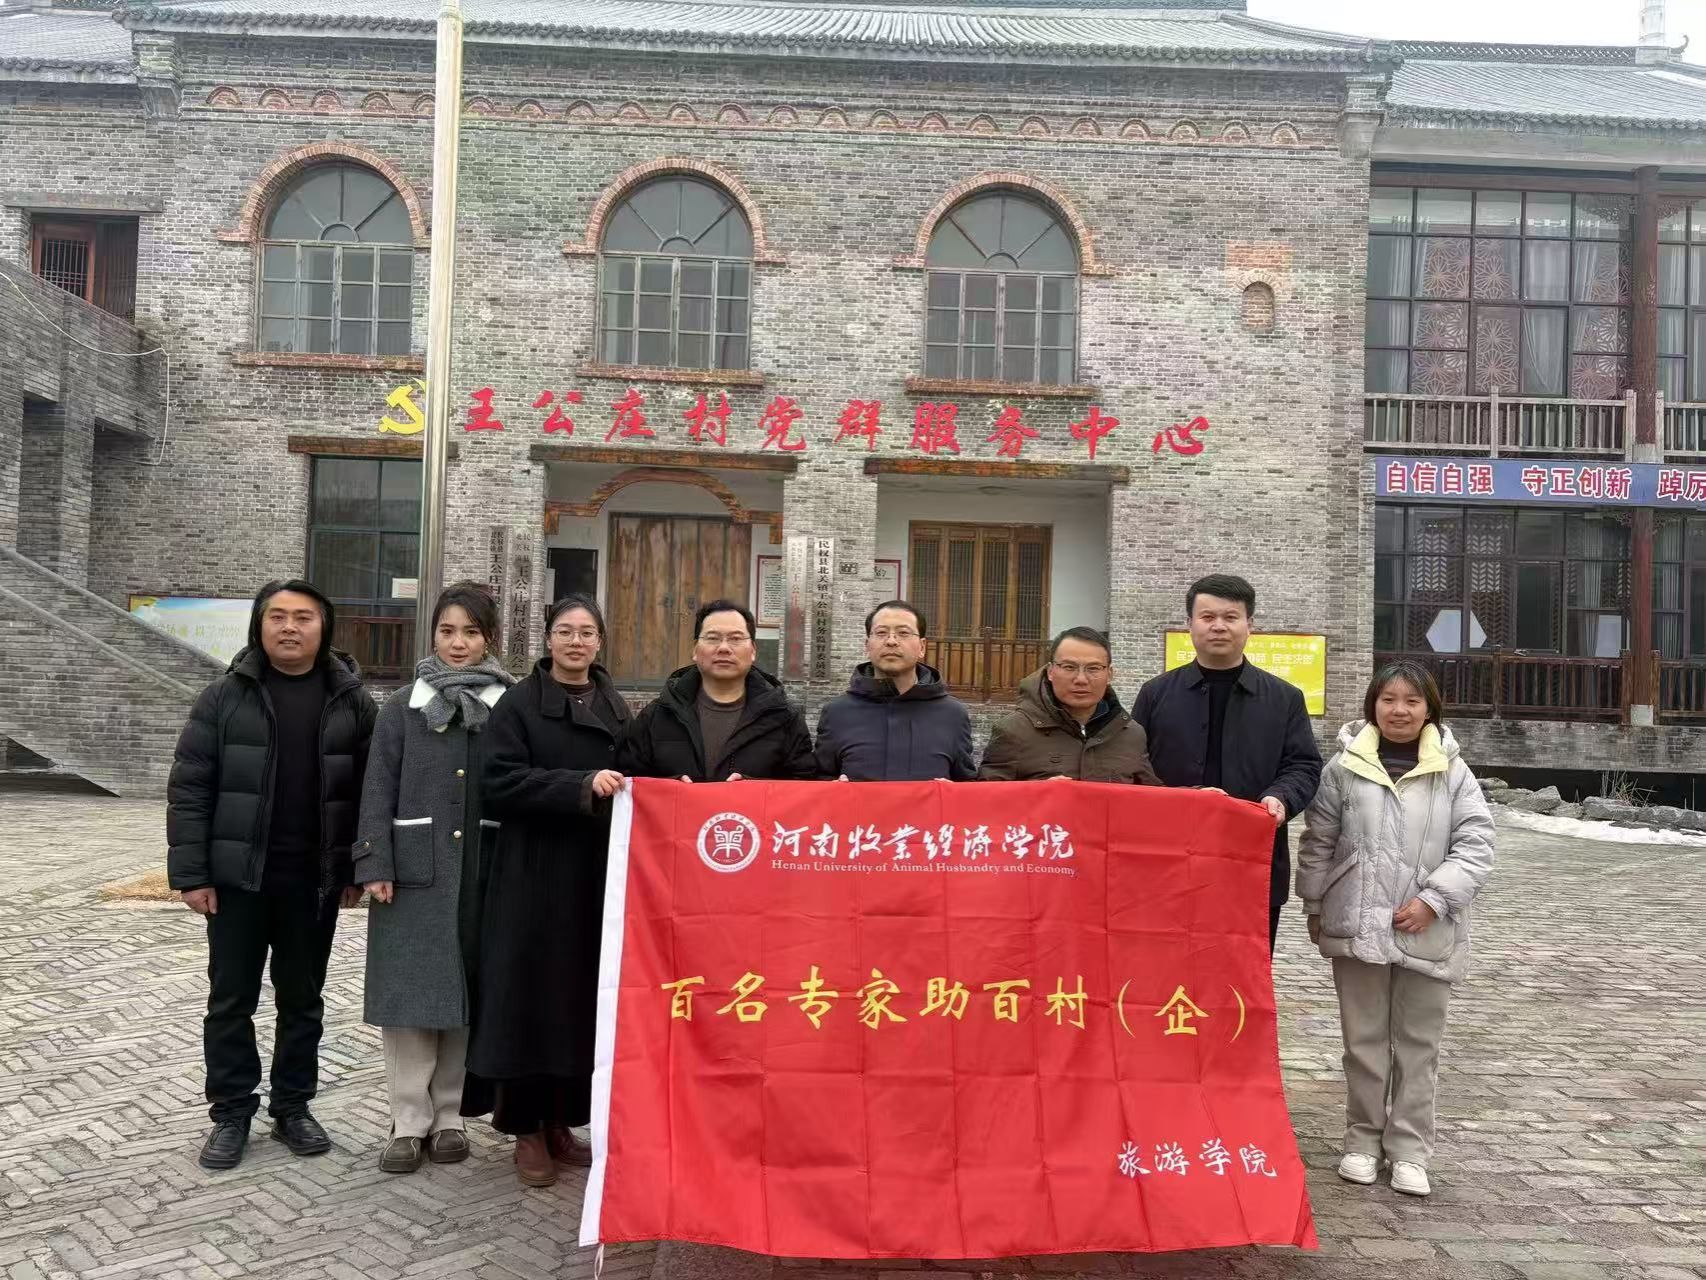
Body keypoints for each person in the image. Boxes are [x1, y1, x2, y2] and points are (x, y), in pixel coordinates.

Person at [166, 579, 376, 1170]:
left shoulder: (353, 702)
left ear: (324, 627)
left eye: (303, 617)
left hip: (313, 882)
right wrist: (192, 875)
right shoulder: (223, 697)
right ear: (259, 625)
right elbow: (189, 788)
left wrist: (358, 867)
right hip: (238, 880)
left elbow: (370, 792)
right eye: (277, 616)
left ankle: (292, 1106)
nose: (290, 627)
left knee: (302, 1000)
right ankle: (231, 1112)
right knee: (230, 1000)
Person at [1296, 661, 1494, 1198]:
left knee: (1417, 1045)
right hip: (1357, 920)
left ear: (1429, 708)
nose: (1399, 710)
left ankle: (1409, 1149)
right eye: (1388, 699)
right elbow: (1319, 840)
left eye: (1411, 700)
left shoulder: (1452, 771)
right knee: (1362, 1042)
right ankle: (1362, 1140)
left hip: (1427, 927)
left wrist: (1434, 900)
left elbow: (1476, 844)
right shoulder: (1344, 767)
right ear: (1373, 705)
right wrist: (1315, 902)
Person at [467, 593, 632, 1188]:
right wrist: (579, 785)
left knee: (577, 999)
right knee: (527, 999)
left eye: (587, 632)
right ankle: (526, 1128)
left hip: (592, 875)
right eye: (565, 631)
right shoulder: (518, 705)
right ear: (547, 638)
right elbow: (497, 782)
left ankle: (562, 1120)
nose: (576, 641)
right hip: (531, 875)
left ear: (600, 641)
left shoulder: (616, 706)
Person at [352, 582, 513, 1174]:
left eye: (470, 632)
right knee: (411, 998)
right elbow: (377, 785)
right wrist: (374, 862)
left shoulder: (508, 704)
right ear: (433, 634)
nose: (458, 643)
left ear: (489, 638)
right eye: (447, 630)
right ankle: (407, 1121)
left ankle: (449, 1117)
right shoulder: (403, 705)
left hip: (485, 872)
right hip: (415, 872)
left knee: (465, 994)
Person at [1130, 574, 1322, 952]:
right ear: (1189, 624)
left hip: (1252, 862)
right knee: (1166, 967)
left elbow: (1303, 765)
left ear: (1250, 624)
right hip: (1169, 862)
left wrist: (1281, 797)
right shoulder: (1156, 694)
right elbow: (1134, 765)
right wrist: (1178, 800)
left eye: (1230, 617)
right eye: (1207, 617)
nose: (1218, 626)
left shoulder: (1284, 698)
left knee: (1242, 971)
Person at [618, 598, 816, 782]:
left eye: (735, 639)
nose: (724, 648)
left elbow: (803, 786)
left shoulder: (783, 718)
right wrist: (672, 789)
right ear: (695, 649)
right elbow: (630, 784)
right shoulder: (657, 716)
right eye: (713, 638)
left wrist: (754, 789)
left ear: (753, 650)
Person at [814, 600, 975, 782]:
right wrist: (831, 789)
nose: (891, 641)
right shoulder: (837, 712)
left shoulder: (952, 714)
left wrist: (953, 792)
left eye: (903, 633)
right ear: (867, 645)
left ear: (922, 647)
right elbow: (818, 780)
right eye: (881, 633)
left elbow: (967, 784)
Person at [978, 626, 1160, 784]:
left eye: (1093, 668)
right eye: (1069, 667)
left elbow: (1149, 797)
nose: (1081, 679)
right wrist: (1036, 793)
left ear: (1109, 674)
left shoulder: (1132, 734)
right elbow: (986, 798)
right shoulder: (1014, 730)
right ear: (1050, 671)